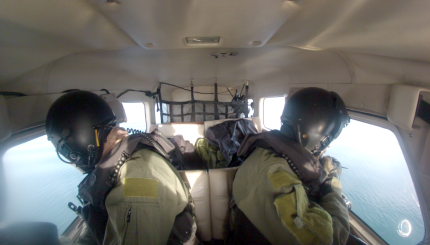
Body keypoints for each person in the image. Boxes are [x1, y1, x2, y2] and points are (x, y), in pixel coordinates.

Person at [46, 91, 196, 245]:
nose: (71, 161)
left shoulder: (139, 178)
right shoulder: (120, 165)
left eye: (66, 152)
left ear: (82, 142)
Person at [230, 87, 351, 245]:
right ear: (316, 139)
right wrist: (332, 187)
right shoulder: (277, 176)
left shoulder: (265, 152)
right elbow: (330, 240)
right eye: (326, 142)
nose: (326, 148)